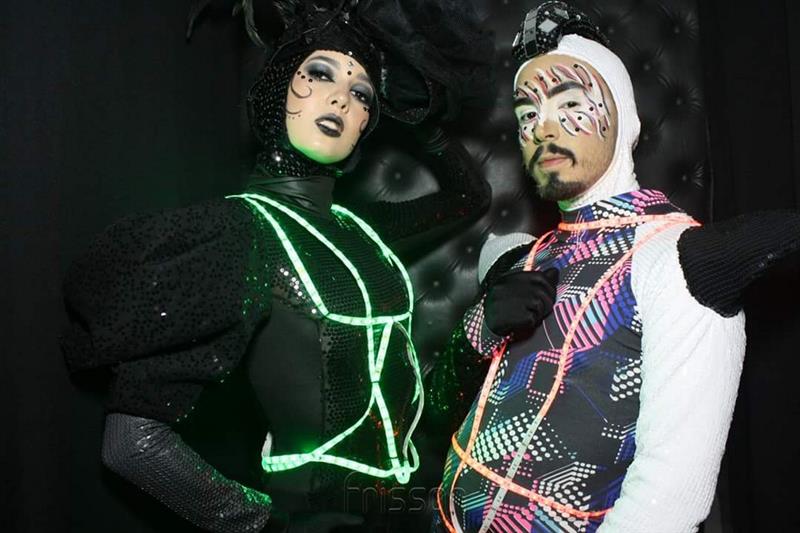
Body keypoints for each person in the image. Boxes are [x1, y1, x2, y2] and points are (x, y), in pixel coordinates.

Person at [61, 1, 493, 531]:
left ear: (366, 124)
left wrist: (423, 122)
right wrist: (264, 524)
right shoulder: (242, 232)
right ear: (278, 89)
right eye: (320, 74)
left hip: (405, 510)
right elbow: (132, 444)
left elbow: (470, 196)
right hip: (307, 511)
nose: (341, 97)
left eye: (361, 94)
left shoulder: (361, 229)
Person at [427, 2, 800, 532]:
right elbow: (434, 414)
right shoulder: (517, 255)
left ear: (622, 117)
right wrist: (482, 326)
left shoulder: (675, 261)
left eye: (570, 103)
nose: (543, 127)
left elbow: (670, 501)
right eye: (528, 114)